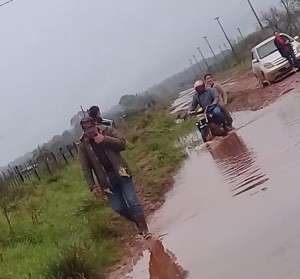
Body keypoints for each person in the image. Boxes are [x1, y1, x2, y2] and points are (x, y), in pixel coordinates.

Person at [78, 115, 151, 239]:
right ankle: (137, 222)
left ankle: (145, 230)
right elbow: (86, 167)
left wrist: (105, 139)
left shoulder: (108, 130)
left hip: (122, 172)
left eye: (92, 130)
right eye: (87, 132)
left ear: (95, 125)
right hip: (106, 181)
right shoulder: (82, 144)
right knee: (119, 208)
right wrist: (92, 186)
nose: (91, 134)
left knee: (133, 201)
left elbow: (123, 144)